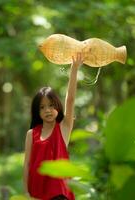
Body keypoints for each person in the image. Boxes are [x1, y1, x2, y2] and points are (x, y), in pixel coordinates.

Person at [23, 52, 84, 200]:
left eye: (51, 105)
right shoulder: (32, 134)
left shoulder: (63, 128)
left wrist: (74, 69)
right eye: (42, 107)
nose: (47, 110)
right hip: (37, 193)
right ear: (37, 111)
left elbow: (70, 99)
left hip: (59, 194)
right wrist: (26, 192)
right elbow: (27, 165)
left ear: (57, 106)